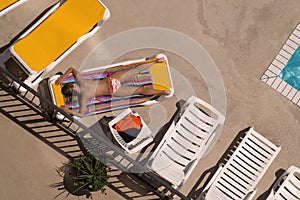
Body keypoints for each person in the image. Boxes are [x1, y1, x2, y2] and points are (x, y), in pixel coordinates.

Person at [55, 57, 171, 117]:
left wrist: (68, 110)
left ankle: (163, 91)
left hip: (113, 90)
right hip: (112, 80)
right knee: (136, 71)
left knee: (140, 90)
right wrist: (63, 78)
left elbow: (81, 114)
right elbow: (72, 69)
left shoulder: (83, 97)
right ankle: (157, 61)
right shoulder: (82, 82)